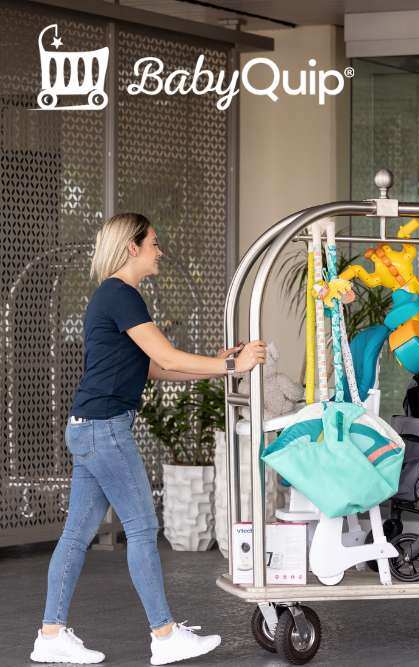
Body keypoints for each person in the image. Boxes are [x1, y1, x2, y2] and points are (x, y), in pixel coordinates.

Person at [31, 213, 266, 665]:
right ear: (132, 247)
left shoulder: (116, 296)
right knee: (141, 528)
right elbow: (163, 354)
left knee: (76, 535)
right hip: (105, 430)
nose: (160, 251)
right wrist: (235, 367)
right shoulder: (120, 295)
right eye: (155, 243)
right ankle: (164, 635)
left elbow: (156, 368)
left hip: (89, 428)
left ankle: (50, 634)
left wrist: (218, 361)